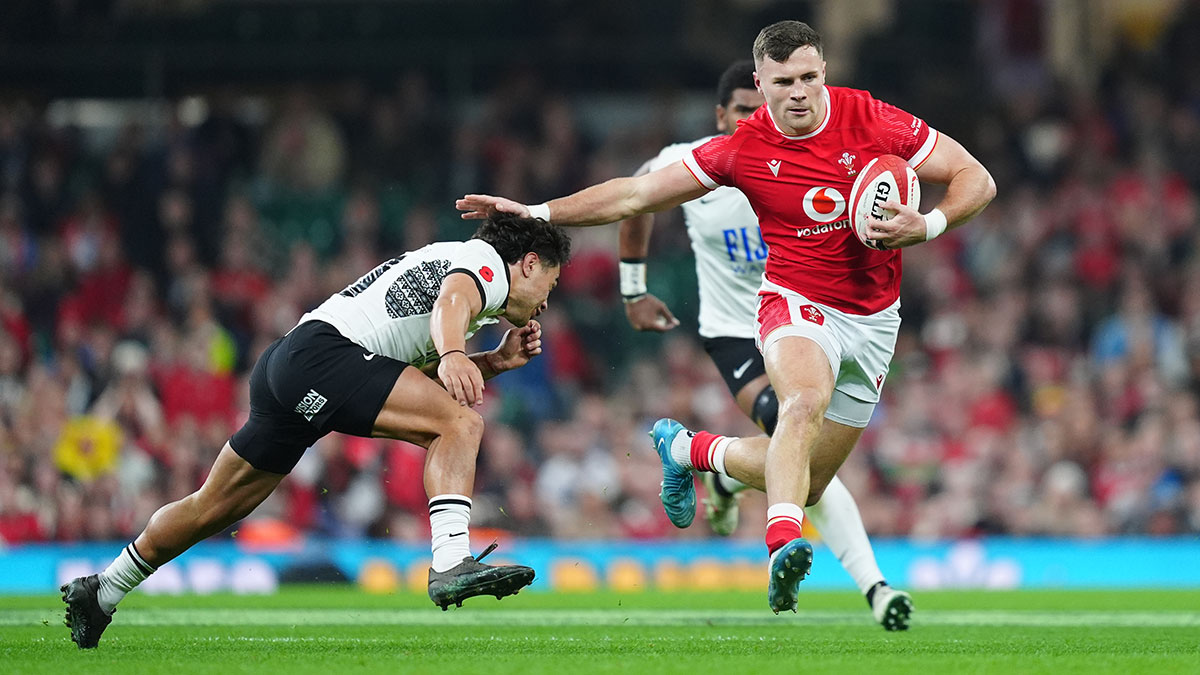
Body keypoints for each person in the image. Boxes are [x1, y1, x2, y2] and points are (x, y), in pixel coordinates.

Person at [457, 21, 996, 614]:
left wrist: (929, 224)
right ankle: (783, 544)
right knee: (802, 403)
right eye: (784, 81)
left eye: (810, 78)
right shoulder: (744, 147)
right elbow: (634, 197)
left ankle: (693, 451)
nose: (799, 92)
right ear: (760, 83)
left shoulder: (872, 120)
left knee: (812, 479)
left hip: (874, 320)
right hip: (795, 303)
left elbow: (977, 177)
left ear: (825, 75)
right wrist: (534, 210)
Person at [61, 214, 572, 648]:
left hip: (292, 361)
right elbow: (451, 305)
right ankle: (451, 561)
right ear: (528, 263)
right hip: (324, 356)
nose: (546, 300)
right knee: (461, 425)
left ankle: (103, 591)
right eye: (550, 282)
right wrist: (458, 353)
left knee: (211, 506)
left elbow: (408, 384)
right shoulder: (484, 264)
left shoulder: (466, 292)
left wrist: (491, 362)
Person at [618, 59, 912, 629]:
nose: (758, 120)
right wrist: (633, 288)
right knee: (795, 437)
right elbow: (634, 204)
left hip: (807, 320)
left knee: (809, 463)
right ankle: (874, 588)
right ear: (722, 115)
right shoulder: (698, 163)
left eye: (761, 110)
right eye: (744, 113)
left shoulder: (804, 163)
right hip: (737, 335)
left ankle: (712, 467)